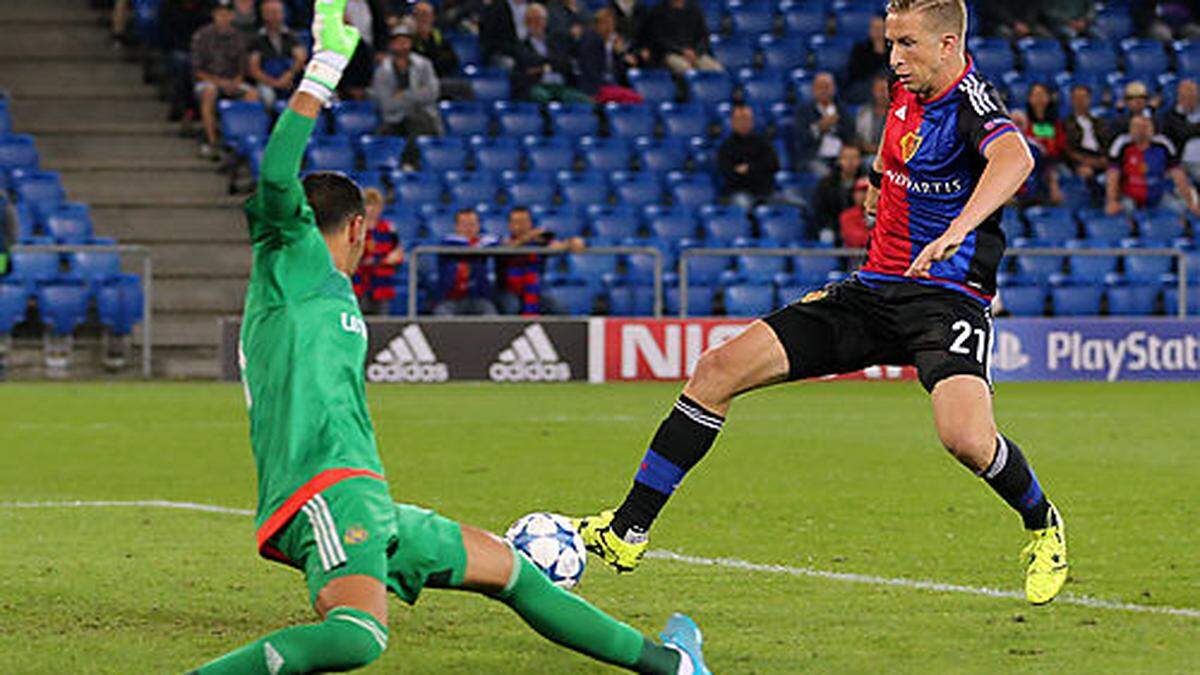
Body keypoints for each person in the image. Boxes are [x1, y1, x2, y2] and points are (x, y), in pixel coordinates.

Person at [187, 3, 709, 673]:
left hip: (367, 495)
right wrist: (324, 65)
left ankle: (671, 664)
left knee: (514, 570)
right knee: (357, 636)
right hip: (322, 488)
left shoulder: (325, 291)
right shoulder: (291, 259)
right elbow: (276, 173)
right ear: (356, 229)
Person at [574, 0, 1069, 609]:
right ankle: (627, 529)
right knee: (716, 370)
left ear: (947, 46)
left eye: (907, 44)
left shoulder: (972, 103)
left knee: (965, 438)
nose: (894, 57)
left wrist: (959, 229)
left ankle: (1043, 524)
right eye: (890, 43)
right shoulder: (904, 89)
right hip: (871, 290)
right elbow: (894, 149)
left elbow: (1015, 158)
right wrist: (878, 186)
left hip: (946, 299)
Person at [192, 0, 260, 160]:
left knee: (252, 94)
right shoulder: (202, 36)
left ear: (232, 16)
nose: (223, 17)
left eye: (227, 14)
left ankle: (249, 143)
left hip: (233, 81)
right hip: (208, 81)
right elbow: (197, 71)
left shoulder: (239, 37)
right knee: (209, 91)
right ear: (214, 15)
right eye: (220, 13)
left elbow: (243, 68)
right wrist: (219, 82)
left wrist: (235, 82)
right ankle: (212, 141)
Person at [495, 205, 586, 315]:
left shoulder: (539, 241)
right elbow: (509, 247)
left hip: (534, 290)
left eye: (524, 221)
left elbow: (558, 245)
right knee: (511, 306)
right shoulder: (501, 240)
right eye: (517, 222)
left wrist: (574, 242)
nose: (521, 226)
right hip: (508, 292)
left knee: (558, 309)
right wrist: (527, 237)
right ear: (510, 226)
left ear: (530, 223)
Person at [1105, 114, 1200, 215]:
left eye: (1145, 127)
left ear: (1152, 129)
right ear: (1130, 129)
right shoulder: (1121, 144)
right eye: (1136, 127)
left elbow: (1178, 175)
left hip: (1158, 195)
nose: (1141, 131)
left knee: (1181, 210)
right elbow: (1113, 176)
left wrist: (1190, 202)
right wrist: (1112, 201)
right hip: (1130, 197)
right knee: (1120, 215)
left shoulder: (1163, 144)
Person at [370, 23, 444, 142]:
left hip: (424, 117)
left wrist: (403, 95)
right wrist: (418, 94)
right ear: (392, 45)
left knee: (420, 123)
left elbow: (433, 93)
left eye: (405, 41)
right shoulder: (382, 71)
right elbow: (387, 105)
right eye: (398, 42)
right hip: (394, 121)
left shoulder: (424, 64)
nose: (403, 45)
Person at [513, 3, 590, 103]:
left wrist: (544, 66)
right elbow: (528, 64)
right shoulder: (521, 45)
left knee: (582, 99)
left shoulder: (556, 42)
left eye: (540, 19)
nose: (537, 23)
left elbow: (564, 63)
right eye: (533, 19)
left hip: (561, 86)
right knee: (543, 97)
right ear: (526, 22)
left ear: (545, 21)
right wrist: (551, 64)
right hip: (537, 85)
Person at [434, 208, 501, 315]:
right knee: (442, 314)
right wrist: (481, 246)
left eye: (472, 224)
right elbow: (467, 249)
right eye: (464, 224)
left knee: (490, 313)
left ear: (478, 226)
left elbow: (498, 242)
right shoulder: (448, 242)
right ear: (457, 227)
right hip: (450, 299)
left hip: (478, 298)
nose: (468, 228)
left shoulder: (484, 242)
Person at [716, 104, 779, 210]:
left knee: (789, 206)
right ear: (732, 122)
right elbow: (730, 174)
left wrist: (748, 168)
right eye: (739, 119)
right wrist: (758, 168)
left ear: (752, 121)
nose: (743, 122)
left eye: (746, 119)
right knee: (743, 205)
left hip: (766, 191)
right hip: (739, 192)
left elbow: (774, 165)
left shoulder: (763, 143)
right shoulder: (726, 147)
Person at [352, 188, 405, 314]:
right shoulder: (356, 229)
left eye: (376, 205)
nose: (372, 209)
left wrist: (391, 259)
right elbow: (356, 258)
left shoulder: (388, 229)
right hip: (360, 287)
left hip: (382, 287)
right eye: (368, 204)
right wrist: (382, 260)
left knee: (382, 325)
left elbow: (398, 255)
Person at [793, 72, 856, 177]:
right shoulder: (804, 111)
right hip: (814, 156)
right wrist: (819, 128)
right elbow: (801, 138)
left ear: (834, 89)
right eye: (820, 87)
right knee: (825, 174)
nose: (824, 91)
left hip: (840, 156)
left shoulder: (841, 109)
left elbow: (850, 133)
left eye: (827, 87)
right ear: (813, 90)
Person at [248, 0, 308, 109]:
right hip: (266, 81)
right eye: (270, 12)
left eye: (277, 12)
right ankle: (272, 124)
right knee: (268, 96)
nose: (274, 16)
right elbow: (254, 70)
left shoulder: (291, 36)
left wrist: (289, 76)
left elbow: (301, 58)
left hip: (289, 79)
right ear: (263, 15)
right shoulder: (256, 38)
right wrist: (275, 83)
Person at [408, 1, 473, 101]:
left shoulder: (438, 37)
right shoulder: (408, 39)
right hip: (418, 83)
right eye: (420, 15)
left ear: (433, 18)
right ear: (414, 18)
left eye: (427, 15)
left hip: (440, 79)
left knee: (464, 87)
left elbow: (453, 61)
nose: (424, 19)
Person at [577, 8, 643, 104]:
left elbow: (621, 72)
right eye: (605, 24)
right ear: (597, 25)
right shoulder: (590, 41)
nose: (609, 28)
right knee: (634, 98)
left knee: (634, 98)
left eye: (611, 24)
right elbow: (590, 71)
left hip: (612, 85)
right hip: (596, 88)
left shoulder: (614, 42)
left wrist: (620, 54)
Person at [641, 0, 721, 75]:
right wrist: (682, 51)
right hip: (670, 53)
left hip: (694, 52)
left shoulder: (694, 9)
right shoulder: (659, 11)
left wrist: (696, 51)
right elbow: (659, 39)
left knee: (717, 69)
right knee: (687, 69)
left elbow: (703, 36)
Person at [811, 144, 863, 238]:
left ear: (860, 161)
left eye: (854, 158)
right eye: (846, 158)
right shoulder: (826, 184)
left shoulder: (867, 184)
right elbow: (820, 212)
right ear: (839, 161)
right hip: (833, 229)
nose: (850, 162)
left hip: (858, 229)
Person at [1062, 84, 1111, 184]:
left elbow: (1107, 143)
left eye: (1083, 97)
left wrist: (1104, 159)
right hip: (1080, 160)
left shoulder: (1100, 122)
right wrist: (1085, 160)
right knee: (1086, 173)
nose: (1080, 101)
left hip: (1100, 158)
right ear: (1071, 101)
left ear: (1089, 100)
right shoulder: (1065, 123)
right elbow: (1067, 149)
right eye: (1077, 98)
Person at [1157, 78, 1200, 183]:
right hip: (1179, 162)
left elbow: (1185, 131)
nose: (1189, 100)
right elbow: (1182, 133)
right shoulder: (1169, 116)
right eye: (1185, 97)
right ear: (1179, 97)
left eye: (1192, 96)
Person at [848, 16, 889, 102]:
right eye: (875, 28)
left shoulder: (892, 49)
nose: (877, 31)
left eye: (880, 28)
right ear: (869, 30)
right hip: (867, 85)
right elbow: (856, 73)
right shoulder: (860, 49)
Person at [480, 0, 528, 70]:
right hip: (496, 53)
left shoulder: (506, 7)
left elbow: (512, 36)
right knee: (511, 63)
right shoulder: (496, 9)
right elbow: (490, 40)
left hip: (513, 48)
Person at [856, 75, 890, 154]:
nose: (882, 94)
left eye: (885, 90)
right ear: (873, 91)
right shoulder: (863, 112)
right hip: (867, 154)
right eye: (879, 90)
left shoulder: (899, 113)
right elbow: (858, 136)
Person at [839, 177, 873, 248]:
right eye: (861, 191)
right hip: (856, 257)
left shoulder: (885, 214)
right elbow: (855, 239)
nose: (865, 195)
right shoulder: (847, 216)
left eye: (868, 190)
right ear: (854, 195)